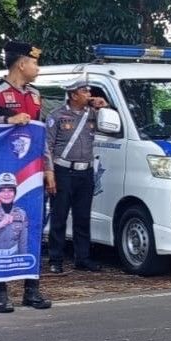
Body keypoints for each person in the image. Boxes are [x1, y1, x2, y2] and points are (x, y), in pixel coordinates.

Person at [0, 40, 51, 312]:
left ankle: (32, 289)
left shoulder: (35, 95)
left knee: (32, 228)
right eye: (35, 63)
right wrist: (6, 120)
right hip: (0, 173)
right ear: (21, 64)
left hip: (32, 173)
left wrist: (49, 168)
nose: (38, 68)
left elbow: (40, 135)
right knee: (0, 226)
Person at [44, 77, 108, 274]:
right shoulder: (57, 116)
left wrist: (104, 106)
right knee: (59, 216)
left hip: (85, 171)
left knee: (82, 216)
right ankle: (56, 259)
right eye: (84, 91)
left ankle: (83, 258)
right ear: (73, 95)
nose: (89, 95)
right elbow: (47, 146)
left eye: (89, 91)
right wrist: (49, 173)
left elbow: (111, 123)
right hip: (63, 170)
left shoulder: (94, 114)